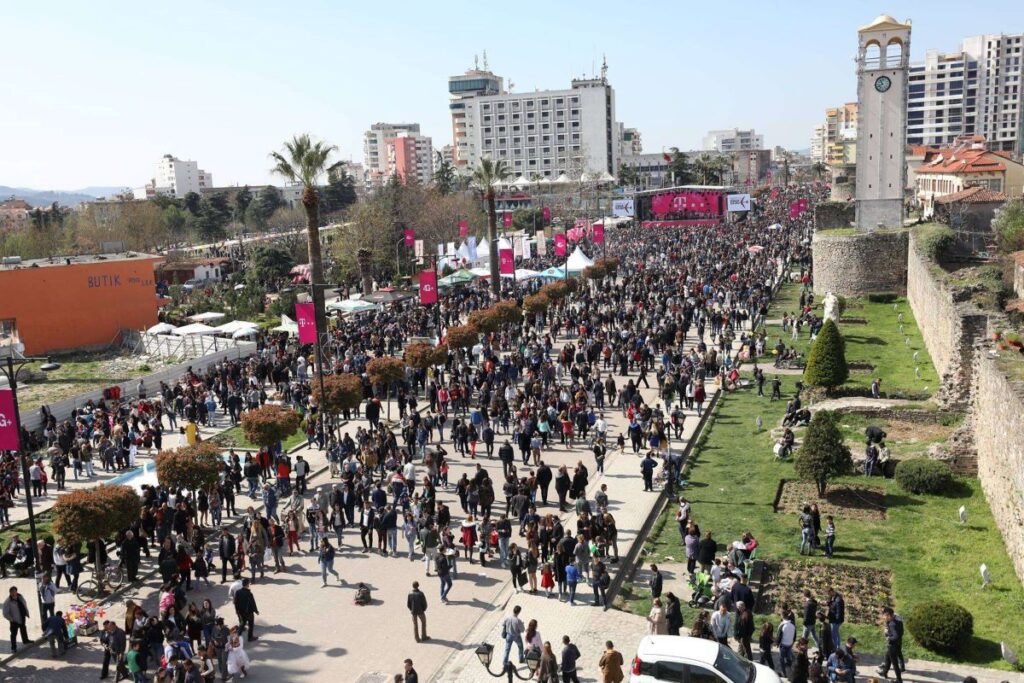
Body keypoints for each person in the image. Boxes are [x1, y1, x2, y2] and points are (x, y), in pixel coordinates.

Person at [878, 607, 904, 682]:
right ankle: (885, 672)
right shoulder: (898, 621)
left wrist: (889, 638)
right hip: (898, 644)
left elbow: (895, 636)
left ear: (889, 615)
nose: (884, 617)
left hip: (893, 646)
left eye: (885, 615)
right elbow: (901, 633)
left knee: (895, 664)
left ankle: (899, 680)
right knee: (887, 658)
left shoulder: (892, 624)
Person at [3, 586, 30, 653]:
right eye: (12, 592)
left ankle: (25, 640)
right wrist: (11, 619)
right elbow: (5, 613)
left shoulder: (20, 596)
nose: (14, 593)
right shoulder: (8, 601)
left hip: (22, 617)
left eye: (15, 591)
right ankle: (13, 648)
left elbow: (24, 604)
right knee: (13, 634)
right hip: (14, 621)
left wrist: (26, 613)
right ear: (10, 593)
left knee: (23, 628)